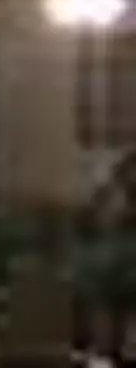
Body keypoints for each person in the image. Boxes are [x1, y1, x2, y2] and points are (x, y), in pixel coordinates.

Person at [74, 150, 136, 364]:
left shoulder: (108, 196)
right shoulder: (106, 197)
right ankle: (106, 351)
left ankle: (110, 350)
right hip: (109, 273)